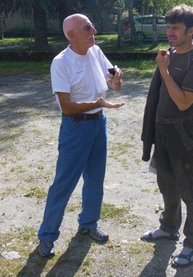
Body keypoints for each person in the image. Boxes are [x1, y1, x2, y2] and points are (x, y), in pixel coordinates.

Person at [37, 13, 125, 258]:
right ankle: (47, 236)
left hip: (98, 124)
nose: (94, 31)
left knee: (96, 179)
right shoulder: (61, 62)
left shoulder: (95, 52)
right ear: (71, 34)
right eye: (88, 28)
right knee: (63, 183)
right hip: (76, 127)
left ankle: (89, 224)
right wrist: (98, 103)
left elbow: (114, 84)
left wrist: (117, 80)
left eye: (93, 26)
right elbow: (66, 106)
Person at [140, 4, 193, 267]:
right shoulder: (169, 54)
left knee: (189, 190)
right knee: (166, 183)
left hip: (183, 131)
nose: (169, 32)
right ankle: (168, 227)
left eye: (175, 28)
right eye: (168, 27)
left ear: (190, 30)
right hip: (162, 130)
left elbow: (183, 102)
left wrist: (164, 70)